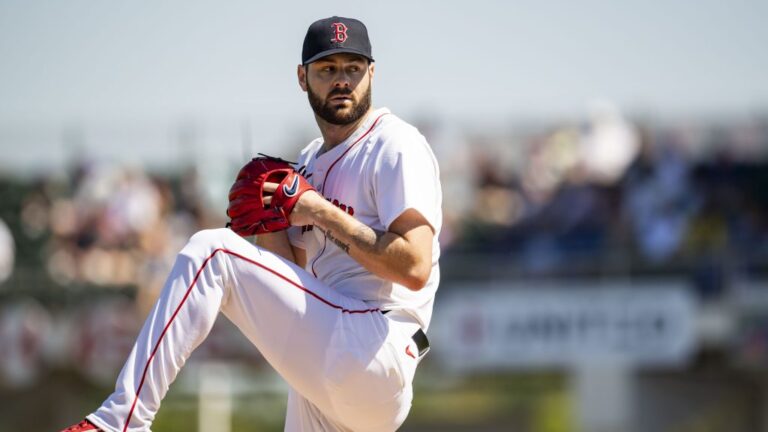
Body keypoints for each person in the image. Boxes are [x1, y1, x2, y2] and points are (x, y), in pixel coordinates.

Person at [61, 16, 442, 432]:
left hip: (376, 343)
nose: (342, 80)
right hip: (334, 360)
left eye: (353, 67)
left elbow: (414, 267)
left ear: (372, 72)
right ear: (302, 77)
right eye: (327, 69)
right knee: (229, 256)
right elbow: (298, 278)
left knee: (214, 251)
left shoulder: (394, 144)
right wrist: (268, 227)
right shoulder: (309, 161)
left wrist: (318, 210)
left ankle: (120, 421)